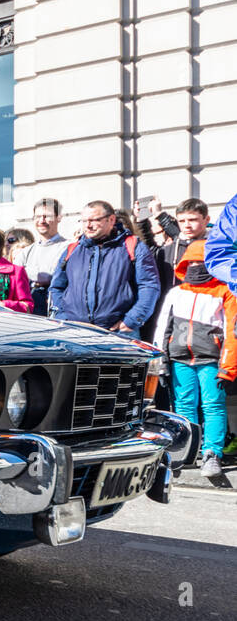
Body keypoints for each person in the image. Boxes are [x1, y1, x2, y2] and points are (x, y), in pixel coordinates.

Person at [153, 242, 236, 477]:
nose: (197, 267)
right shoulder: (176, 292)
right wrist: (160, 362)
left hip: (211, 360)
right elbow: (162, 328)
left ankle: (212, 454)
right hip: (179, 358)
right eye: (192, 262)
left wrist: (228, 368)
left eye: (202, 262)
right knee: (184, 407)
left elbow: (232, 331)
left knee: (213, 406)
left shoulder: (226, 292)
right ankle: (187, 452)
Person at [49, 200, 161, 336]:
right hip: (74, 333)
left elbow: (149, 286)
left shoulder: (134, 246)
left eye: (94, 220)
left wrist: (132, 320)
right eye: (83, 221)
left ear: (111, 220)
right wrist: (62, 316)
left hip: (119, 334)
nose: (88, 226)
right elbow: (56, 287)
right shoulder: (72, 250)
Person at [18, 198, 68, 316]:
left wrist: (28, 273)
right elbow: (16, 277)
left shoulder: (68, 247)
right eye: (38, 217)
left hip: (55, 308)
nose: (42, 220)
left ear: (58, 218)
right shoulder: (26, 252)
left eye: (47, 216)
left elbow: (55, 275)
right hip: (30, 308)